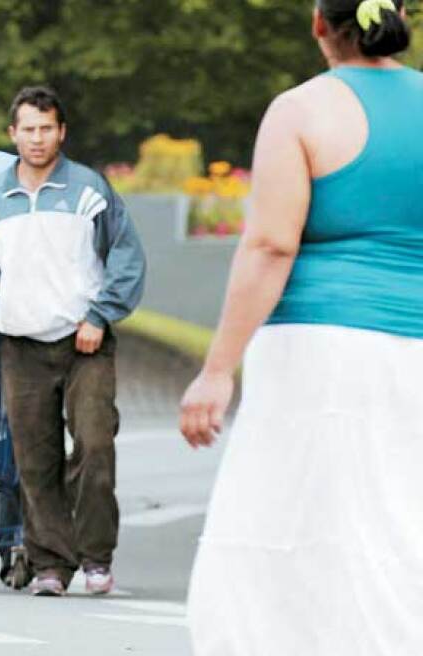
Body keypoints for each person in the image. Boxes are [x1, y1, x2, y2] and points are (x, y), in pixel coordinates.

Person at [179, 2, 422, 653]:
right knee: (402, 522)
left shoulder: (303, 109)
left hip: (320, 350)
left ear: (320, 24)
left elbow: (270, 247)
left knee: (284, 522)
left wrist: (217, 370)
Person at [0, 86, 146, 597]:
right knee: (34, 460)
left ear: (61, 132)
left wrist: (100, 316)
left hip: (86, 340)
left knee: (95, 445)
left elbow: (125, 256)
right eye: (27, 129)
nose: (37, 139)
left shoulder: (90, 191)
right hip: (20, 344)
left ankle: (97, 557)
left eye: (46, 128)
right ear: (13, 134)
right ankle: (51, 564)